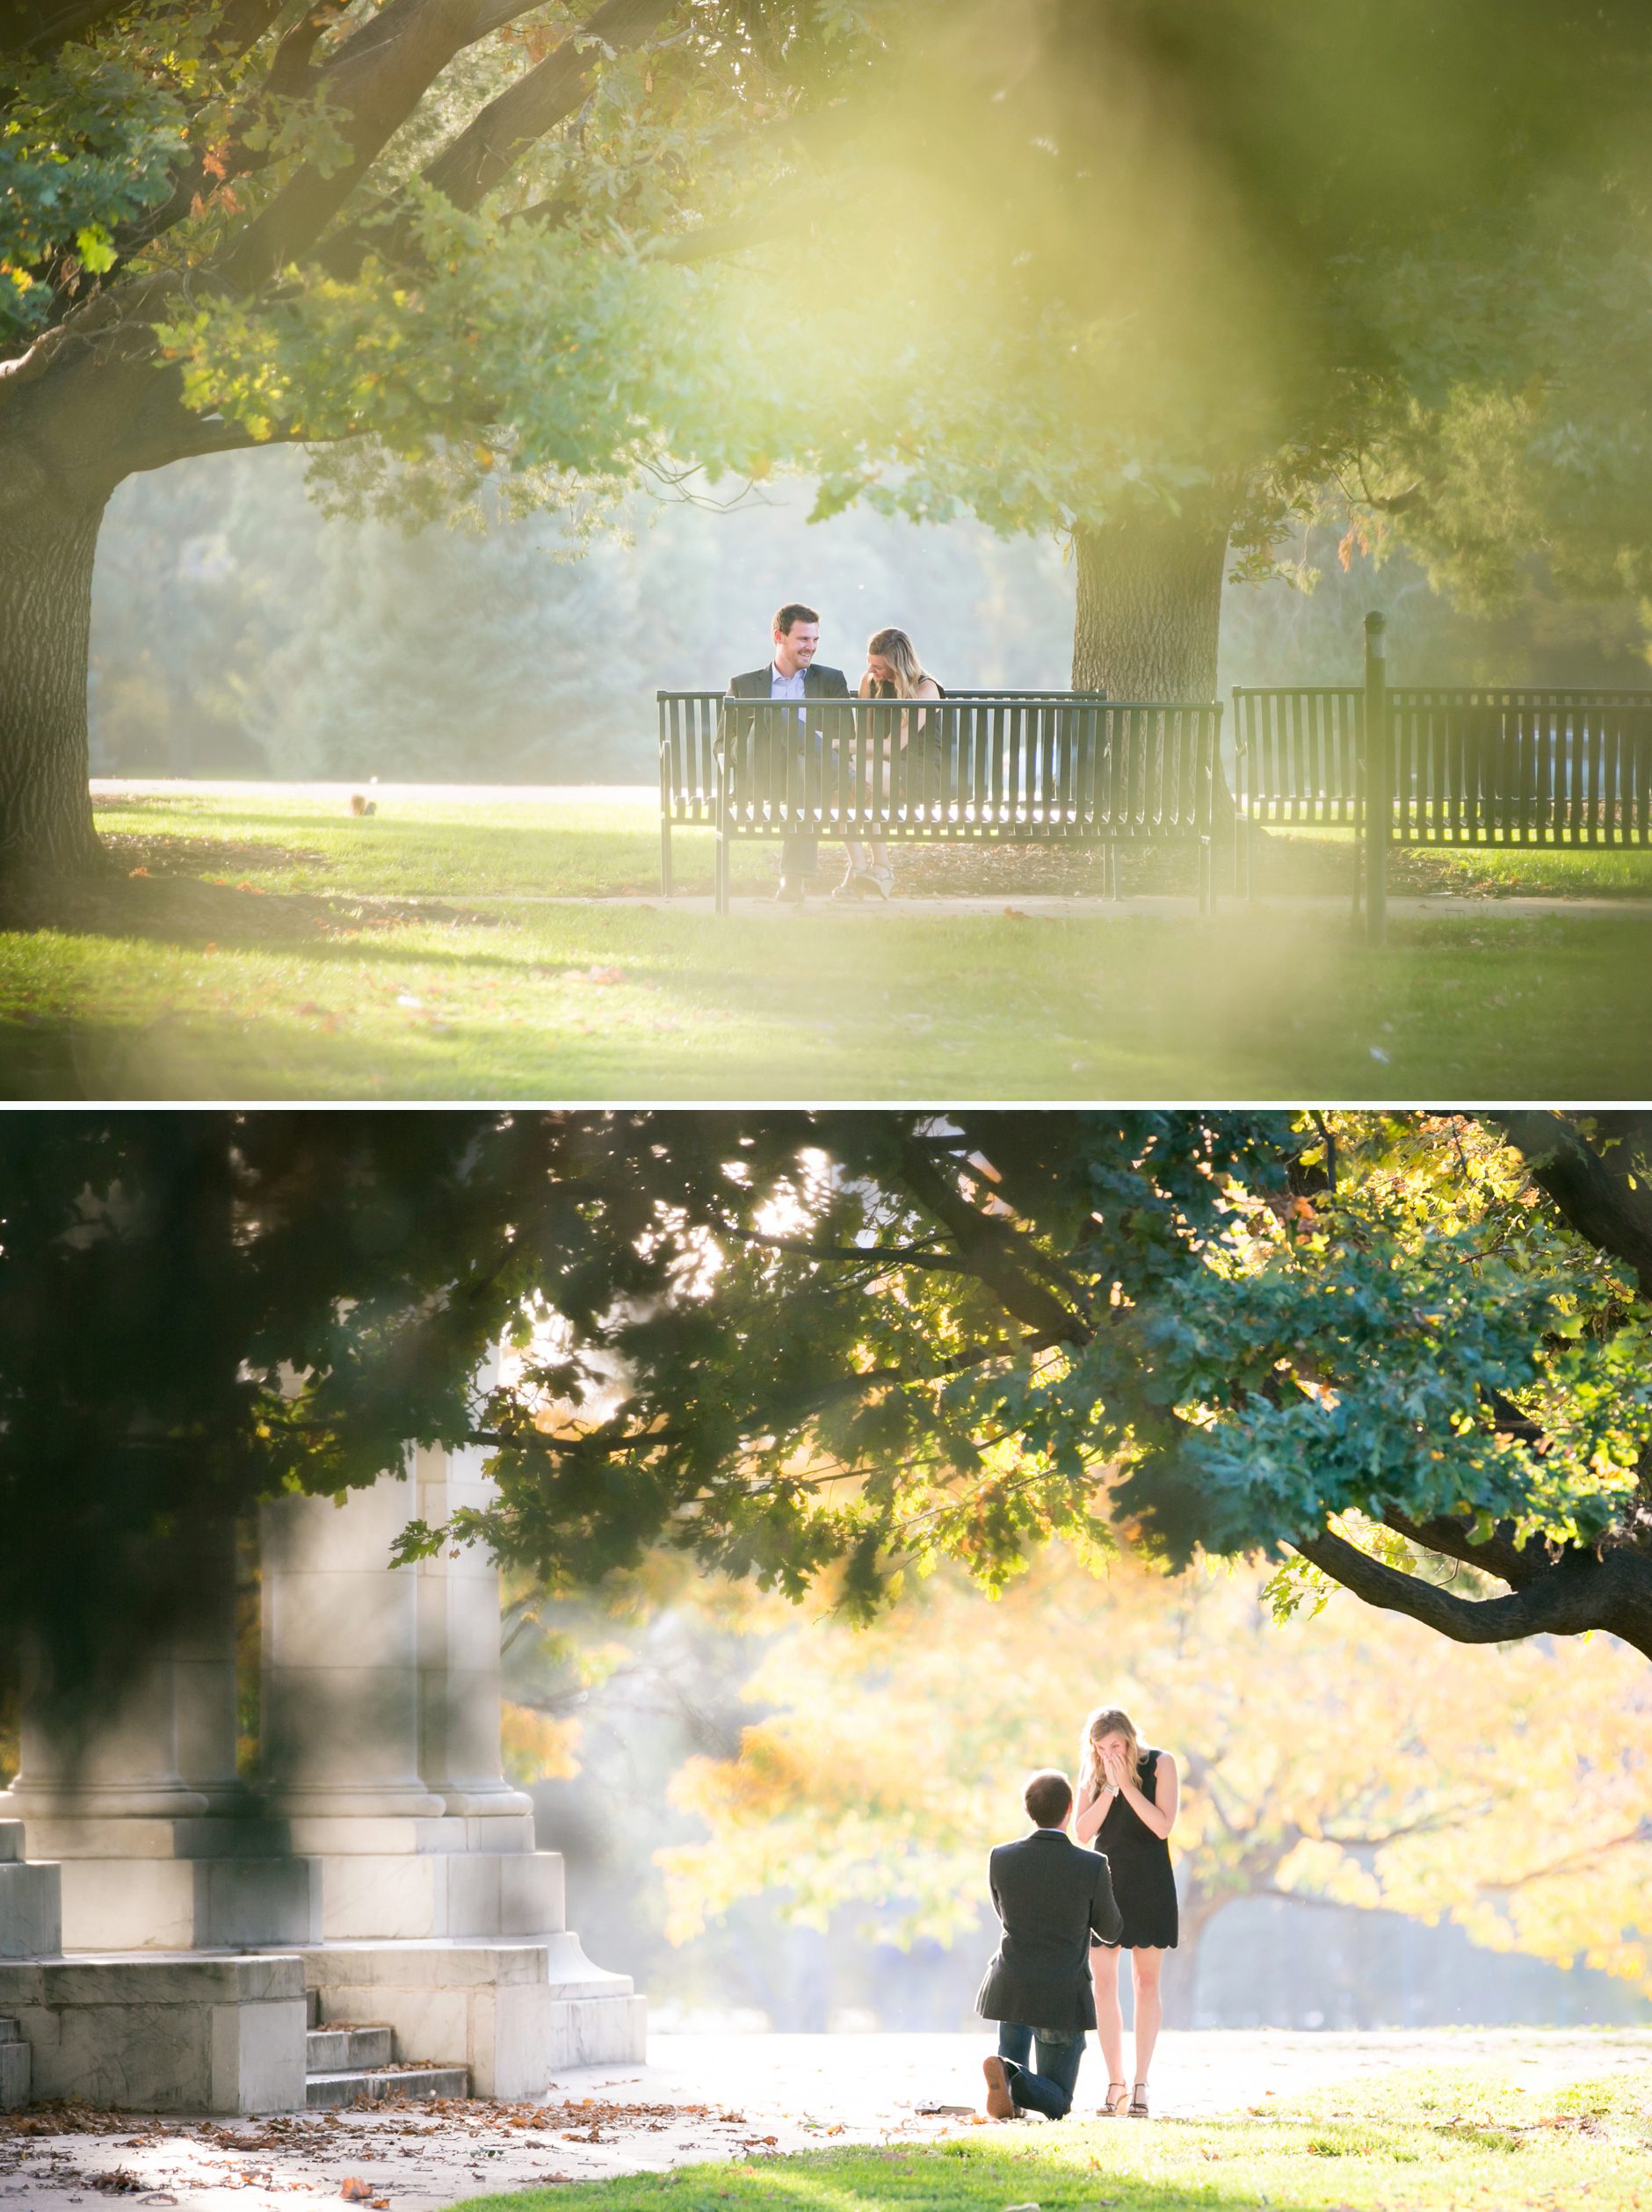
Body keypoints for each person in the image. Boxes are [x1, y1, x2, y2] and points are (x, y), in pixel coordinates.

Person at [975, 1767, 1122, 2123]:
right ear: (1071, 1808)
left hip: (1011, 1987)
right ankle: (1010, 2077)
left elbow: (1004, 1915)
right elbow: (1112, 1932)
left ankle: (1008, 2078)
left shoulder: (1001, 1858)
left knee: (1016, 2084)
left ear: (1028, 1810)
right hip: (1062, 1994)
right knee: (1058, 2104)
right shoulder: (1092, 1865)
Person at [1075, 1706, 1179, 2120]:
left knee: (1146, 1980)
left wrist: (1128, 1786)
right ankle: (1114, 2081)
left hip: (1150, 1879)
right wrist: (1109, 1789)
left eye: (1115, 1745)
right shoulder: (1093, 1770)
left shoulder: (1161, 1764)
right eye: (1101, 1748)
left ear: (1130, 1739)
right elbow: (1082, 1832)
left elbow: (1162, 1825)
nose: (1109, 1753)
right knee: (1102, 1984)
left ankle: (1140, 2083)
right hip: (1105, 1880)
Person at [728, 604, 851, 903]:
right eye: (803, 640)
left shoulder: (831, 680)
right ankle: (844, 776)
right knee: (773, 713)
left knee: (803, 766)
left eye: (815, 640)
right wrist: (759, 732)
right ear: (779, 637)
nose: (811, 647)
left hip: (808, 776)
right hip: (762, 774)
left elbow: (846, 736)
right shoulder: (744, 684)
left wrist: (803, 743)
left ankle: (792, 882)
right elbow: (724, 744)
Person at [837, 626, 944, 902]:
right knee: (838, 779)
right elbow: (866, 738)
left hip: (914, 771)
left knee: (856, 777)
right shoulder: (869, 682)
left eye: (880, 667)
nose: (873, 671)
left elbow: (892, 746)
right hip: (876, 769)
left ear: (898, 663)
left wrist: (834, 743)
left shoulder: (925, 688)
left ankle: (882, 868)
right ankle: (860, 866)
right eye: (870, 664)